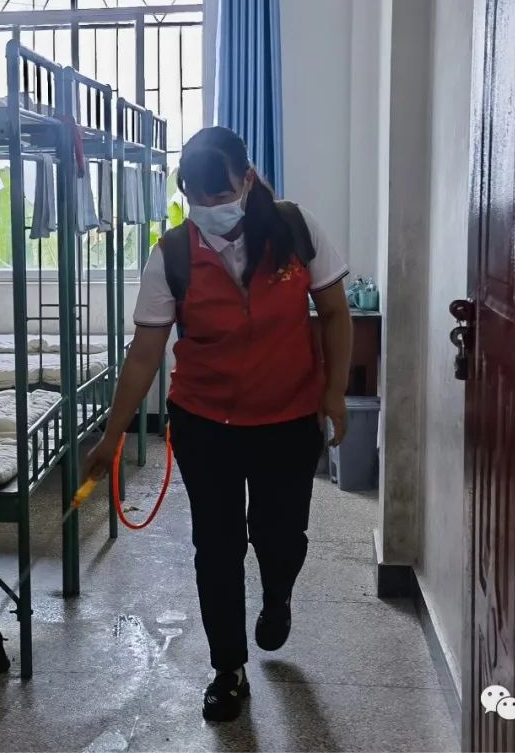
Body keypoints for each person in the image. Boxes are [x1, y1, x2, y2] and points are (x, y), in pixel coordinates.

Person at [83, 126, 353, 722]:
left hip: (288, 418)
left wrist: (334, 393)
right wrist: (113, 433)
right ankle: (228, 668)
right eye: (196, 196)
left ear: (247, 179)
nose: (209, 206)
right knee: (217, 548)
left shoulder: (294, 229)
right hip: (206, 423)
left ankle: (277, 597)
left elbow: (336, 312)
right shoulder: (173, 254)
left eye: (221, 193)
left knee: (280, 537)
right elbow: (145, 352)